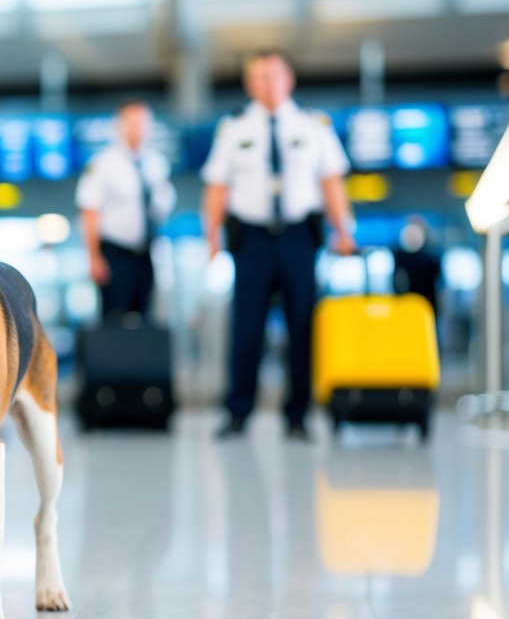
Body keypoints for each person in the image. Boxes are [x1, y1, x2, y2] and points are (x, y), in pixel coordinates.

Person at [202, 50, 356, 441]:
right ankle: (238, 412)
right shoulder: (233, 129)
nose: (266, 84)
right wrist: (212, 238)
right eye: (257, 77)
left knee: (302, 327)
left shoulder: (314, 126)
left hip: (298, 237)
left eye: (272, 75)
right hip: (251, 239)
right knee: (246, 329)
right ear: (249, 83)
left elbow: (331, 182)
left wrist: (344, 231)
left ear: (288, 79)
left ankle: (298, 415)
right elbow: (217, 187)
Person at [76, 100, 176, 320]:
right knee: (114, 316)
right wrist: (93, 257)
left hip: (146, 251)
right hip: (114, 253)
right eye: (131, 123)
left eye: (141, 123)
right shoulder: (103, 163)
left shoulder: (155, 164)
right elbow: (90, 212)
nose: (137, 129)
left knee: (144, 315)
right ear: (119, 126)